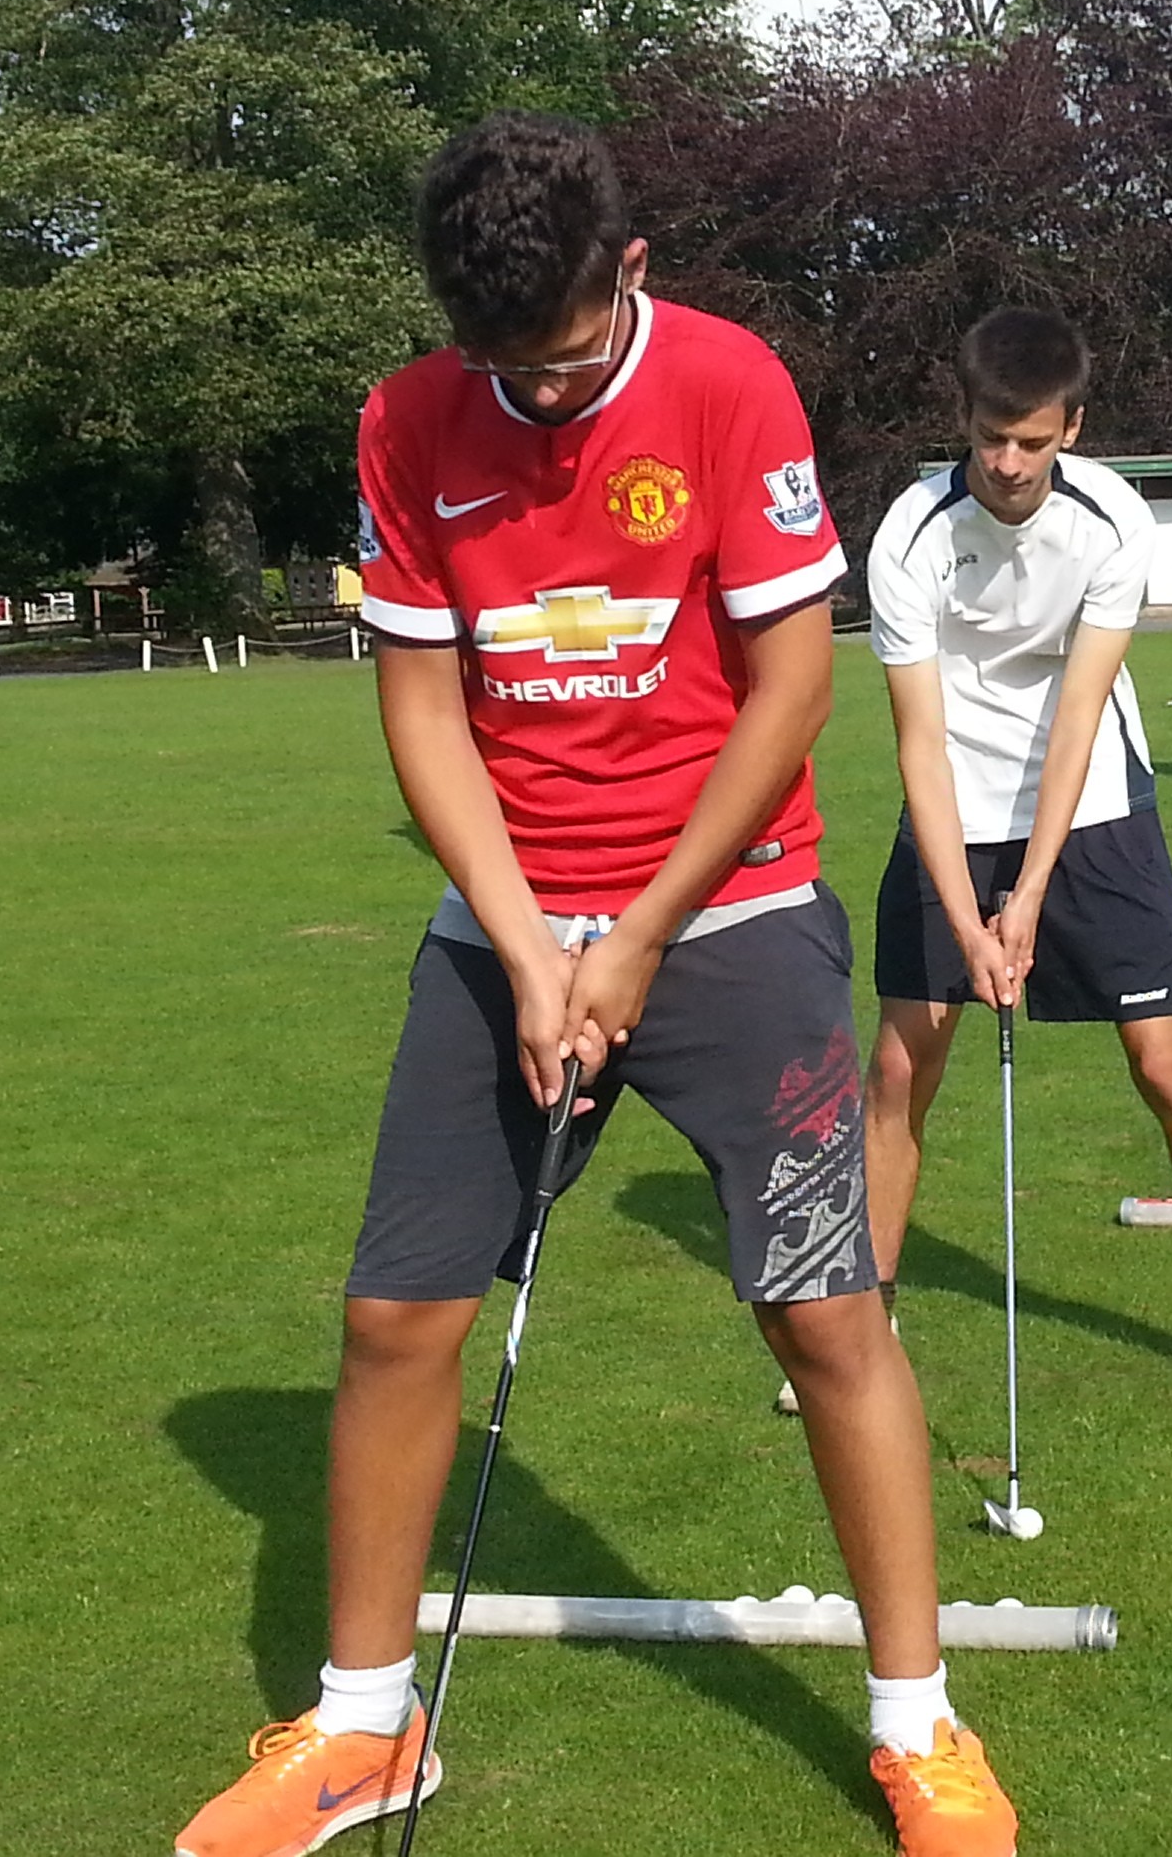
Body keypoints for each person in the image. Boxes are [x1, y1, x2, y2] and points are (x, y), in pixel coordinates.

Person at [178, 115, 1016, 1857]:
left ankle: (917, 1727)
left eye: (558, 365)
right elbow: (422, 708)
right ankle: (359, 1730)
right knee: (395, 1317)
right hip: (502, 926)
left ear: (627, 273)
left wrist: (627, 939)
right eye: (499, 368)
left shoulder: (727, 384)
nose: (532, 402)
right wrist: (526, 934)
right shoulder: (409, 418)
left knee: (823, 1310)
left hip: (729, 915)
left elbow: (790, 684)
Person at [867, 309, 1172, 1411]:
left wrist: (1029, 893)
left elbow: (1077, 716)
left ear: (1073, 424)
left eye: (1030, 440)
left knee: (1166, 1063)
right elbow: (918, 739)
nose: (1007, 464)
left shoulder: (1114, 521)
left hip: (1095, 803)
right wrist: (973, 919)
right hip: (951, 804)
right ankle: (861, 1329)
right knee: (898, 1070)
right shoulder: (908, 536)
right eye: (988, 439)